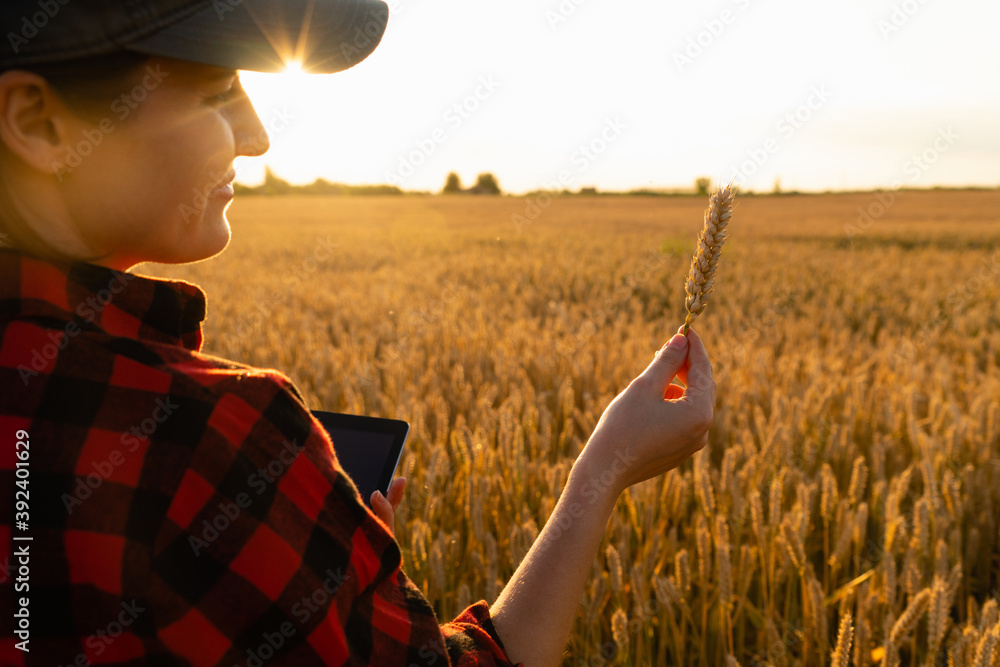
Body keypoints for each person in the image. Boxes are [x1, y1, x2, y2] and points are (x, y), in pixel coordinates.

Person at [0, 1, 716, 665]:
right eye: (216, 91)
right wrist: (603, 470)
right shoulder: (211, 434)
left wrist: (316, 577)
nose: (256, 135)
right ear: (36, 122)